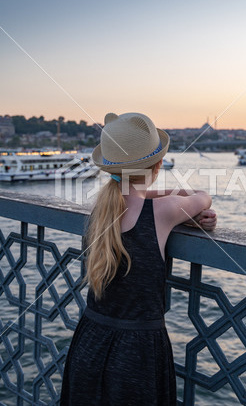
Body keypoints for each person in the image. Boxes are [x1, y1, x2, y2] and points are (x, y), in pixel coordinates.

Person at [60, 112, 217, 406]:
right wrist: (191, 214)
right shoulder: (165, 210)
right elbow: (201, 195)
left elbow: (136, 195)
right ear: (157, 166)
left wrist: (150, 194)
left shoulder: (99, 212)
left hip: (89, 341)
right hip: (138, 353)